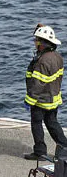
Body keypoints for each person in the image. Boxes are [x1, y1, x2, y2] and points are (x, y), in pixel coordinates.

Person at [23, 24, 67, 160]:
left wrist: (29, 101)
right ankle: (64, 146)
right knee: (52, 123)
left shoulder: (42, 61)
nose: (35, 43)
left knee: (36, 125)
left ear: (42, 44)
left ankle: (40, 152)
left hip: (40, 101)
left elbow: (37, 84)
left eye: (37, 40)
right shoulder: (57, 57)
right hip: (53, 99)